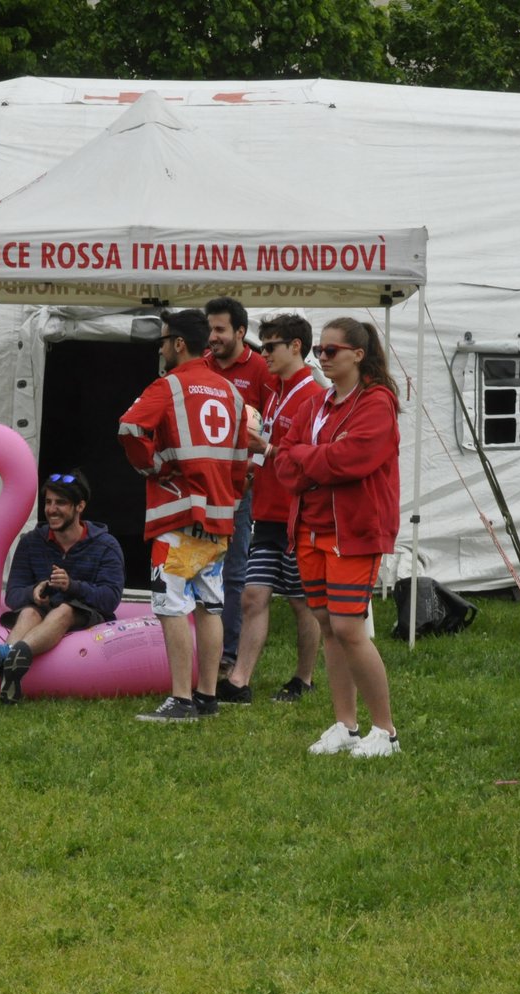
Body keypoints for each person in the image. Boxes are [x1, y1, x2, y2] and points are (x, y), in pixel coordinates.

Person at [274, 317, 402, 757]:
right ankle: (346, 725)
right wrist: (317, 459)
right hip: (309, 528)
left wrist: (309, 458)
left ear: (357, 355)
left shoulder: (377, 402)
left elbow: (353, 460)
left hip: (354, 531)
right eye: (319, 352)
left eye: (331, 351)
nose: (322, 358)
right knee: (328, 625)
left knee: (349, 627)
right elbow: (283, 464)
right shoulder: (316, 404)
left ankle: (385, 732)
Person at [119, 308, 247, 722]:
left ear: (177, 344)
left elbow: (129, 428)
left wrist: (153, 467)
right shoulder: (232, 393)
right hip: (218, 519)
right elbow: (242, 458)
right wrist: (230, 497)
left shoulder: (169, 385)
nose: (160, 349)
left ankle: (181, 699)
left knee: (172, 606)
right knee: (210, 606)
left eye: (163, 341)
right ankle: (207, 696)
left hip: (177, 518)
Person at [216, 313, 326, 705]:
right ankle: (239, 681)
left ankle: (304, 677)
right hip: (267, 509)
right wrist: (252, 466)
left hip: (299, 514)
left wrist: (265, 450)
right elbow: (271, 443)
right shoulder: (277, 391)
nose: (264, 355)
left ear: (296, 346)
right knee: (253, 596)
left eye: (271, 347)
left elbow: (310, 457)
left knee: (302, 601)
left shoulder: (314, 394)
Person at [0, 470, 125, 704]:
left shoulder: (106, 546)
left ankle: (5, 655)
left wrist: (72, 586)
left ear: (80, 506)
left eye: (61, 503)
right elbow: (13, 594)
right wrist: (33, 591)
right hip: (42, 611)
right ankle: (11, 669)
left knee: (64, 610)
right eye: (48, 502)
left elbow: (110, 598)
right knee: (28, 611)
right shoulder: (30, 542)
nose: (51, 509)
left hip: (85, 613)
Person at [204, 296, 279, 676]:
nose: (212, 337)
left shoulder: (262, 371)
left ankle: (228, 653)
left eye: (220, 330)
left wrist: (254, 469)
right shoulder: (200, 366)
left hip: (240, 491)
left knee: (233, 572)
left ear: (240, 332)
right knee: (196, 568)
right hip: (201, 490)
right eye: (210, 329)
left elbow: (273, 429)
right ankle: (199, 648)